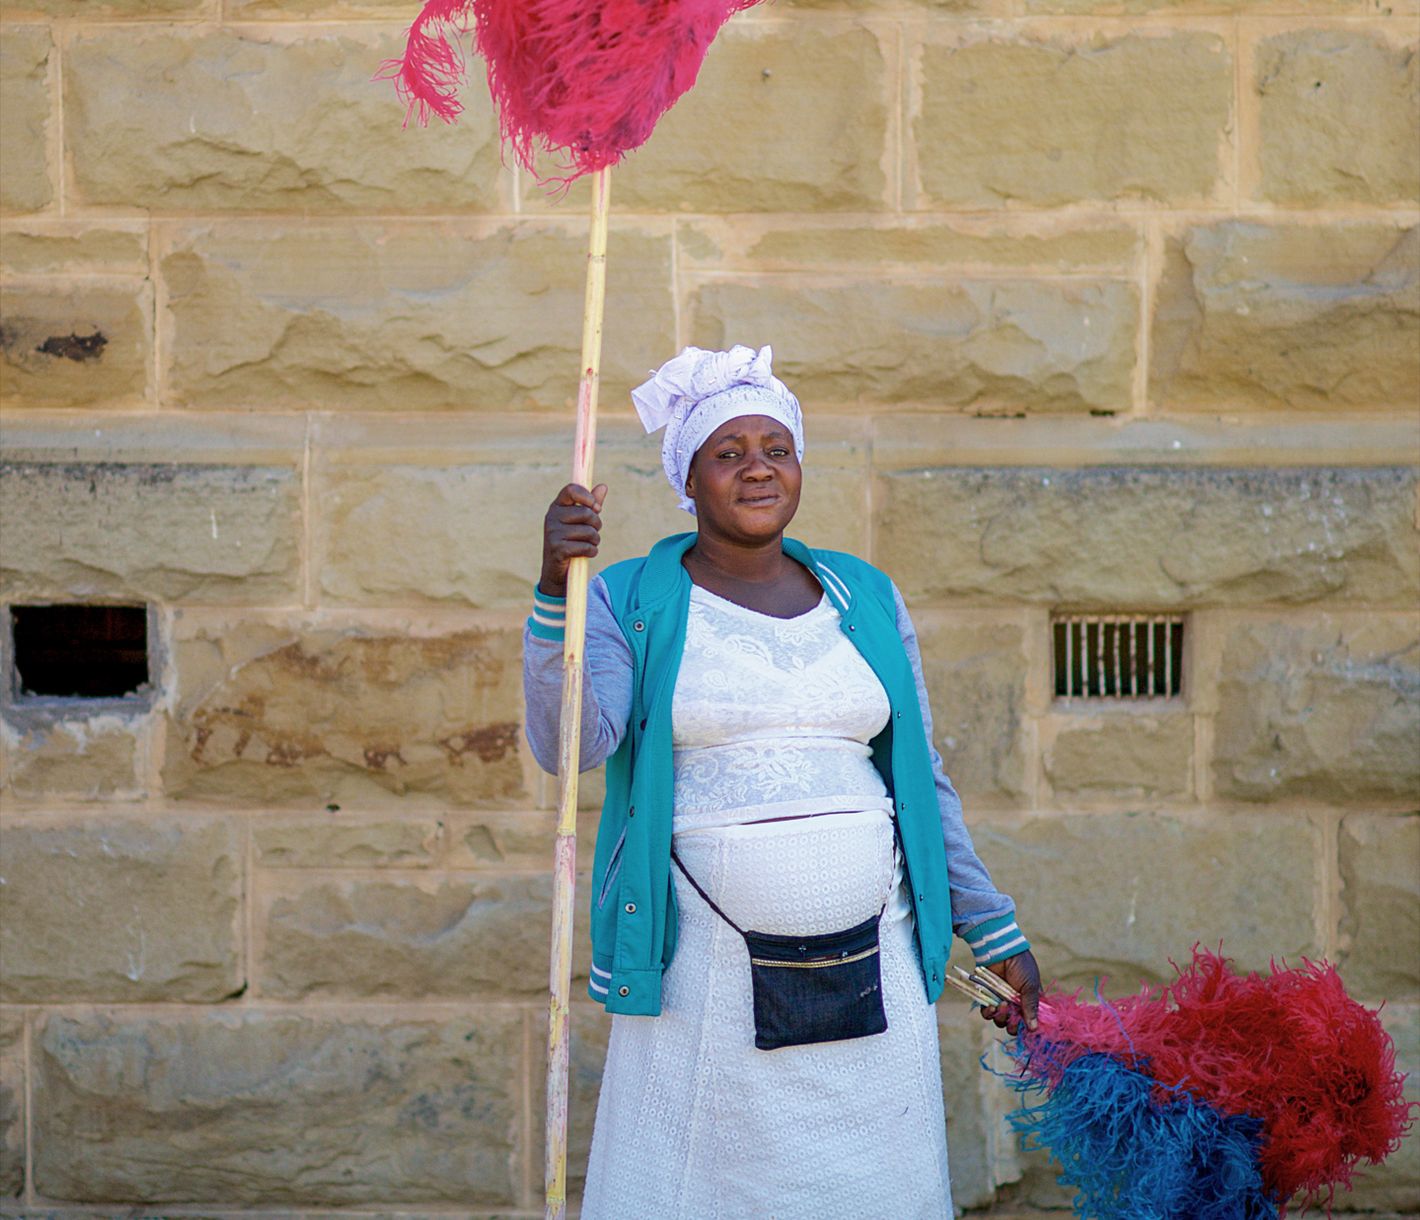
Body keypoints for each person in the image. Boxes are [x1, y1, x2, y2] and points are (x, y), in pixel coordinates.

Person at [523, 344, 1041, 1218]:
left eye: (778, 448)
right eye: (729, 452)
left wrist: (992, 928)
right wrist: (553, 591)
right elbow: (568, 742)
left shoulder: (864, 593)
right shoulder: (627, 597)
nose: (759, 467)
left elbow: (921, 779)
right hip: (702, 982)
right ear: (689, 479)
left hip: (878, 965)